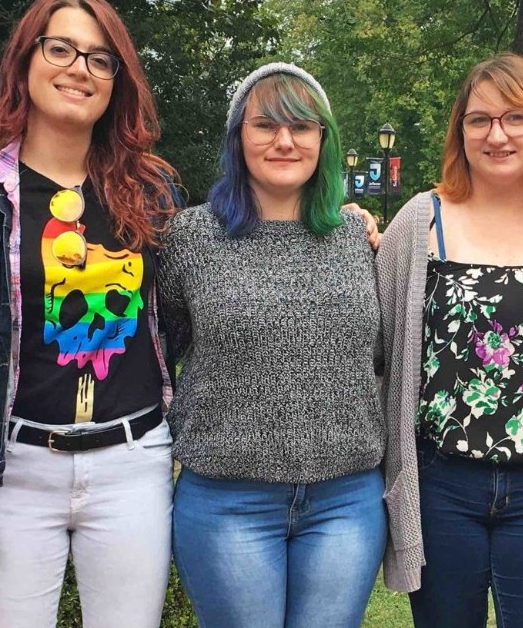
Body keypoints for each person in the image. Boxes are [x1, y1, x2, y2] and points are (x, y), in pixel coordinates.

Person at [0, 0, 181, 628]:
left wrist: (343, 222)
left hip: (132, 466)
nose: (79, 68)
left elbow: (205, 298)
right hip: (14, 471)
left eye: (101, 58)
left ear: (117, 82)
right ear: (25, 61)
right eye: (61, 48)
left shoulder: (151, 193)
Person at [376, 52, 523, 627]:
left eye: (515, 118)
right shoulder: (420, 221)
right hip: (441, 488)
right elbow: (375, 349)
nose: (496, 134)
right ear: (461, 131)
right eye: (479, 120)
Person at [157, 63, 385, 628]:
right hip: (227, 502)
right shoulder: (191, 237)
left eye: (303, 127)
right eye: (266, 126)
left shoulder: (358, 237)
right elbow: (159, 352)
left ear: (323, 141)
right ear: (238, 137)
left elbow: (381, 356)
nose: (285, 140)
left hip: (345, 499)